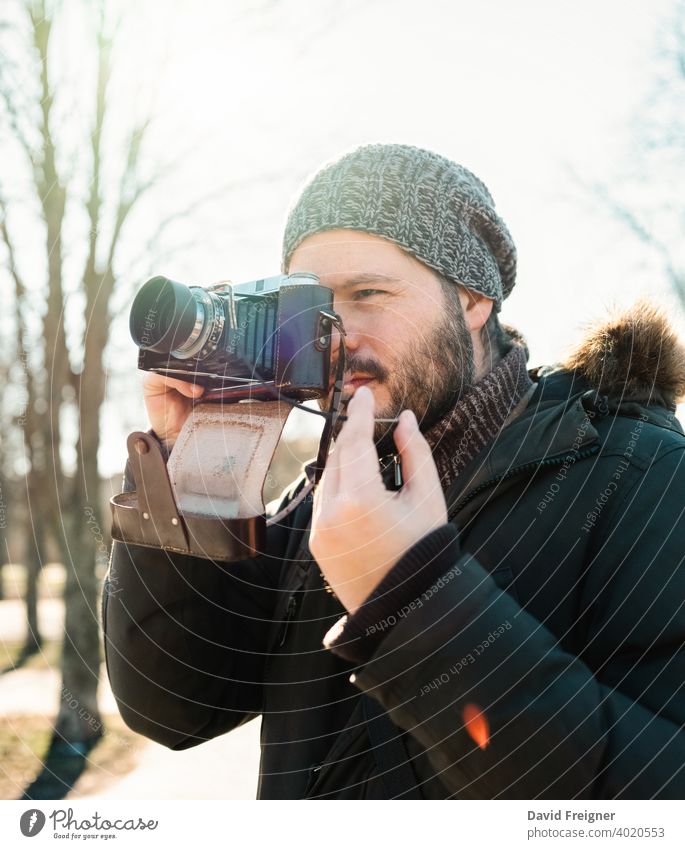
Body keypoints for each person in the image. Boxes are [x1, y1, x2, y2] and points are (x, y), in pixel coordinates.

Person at [103, 143, 685, 799]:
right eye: (313, 306)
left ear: (471, 297)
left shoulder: (641, 475)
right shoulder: (328, 492)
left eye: (367, 293)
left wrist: (414, 598)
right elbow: (174, 707)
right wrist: (198, 474)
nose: (334, 334)